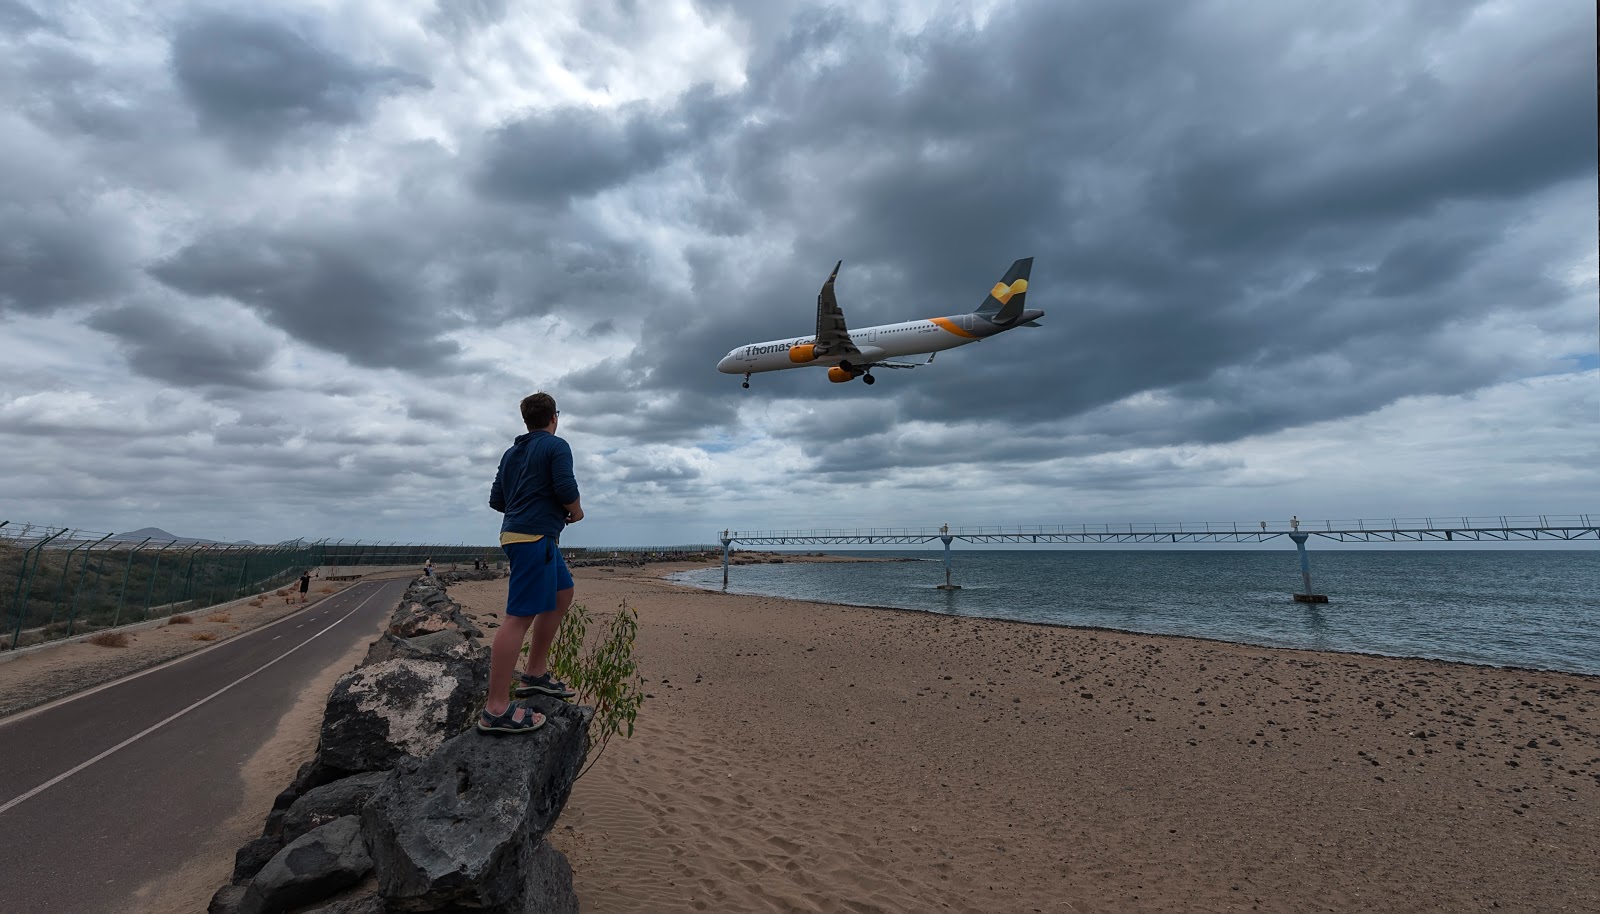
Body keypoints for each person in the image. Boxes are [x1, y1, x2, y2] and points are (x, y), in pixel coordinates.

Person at [479, 392, 584, 734]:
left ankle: (535, 673)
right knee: (518, 618)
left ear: (526, 420)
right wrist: (575, 511)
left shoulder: (512, 453)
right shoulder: (556, 446)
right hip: (532, 538)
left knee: (562, 594)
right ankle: (496, 709)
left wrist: (528, 502)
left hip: (525, 535)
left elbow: (498, 500)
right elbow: (566, 487)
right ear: (555, 416)